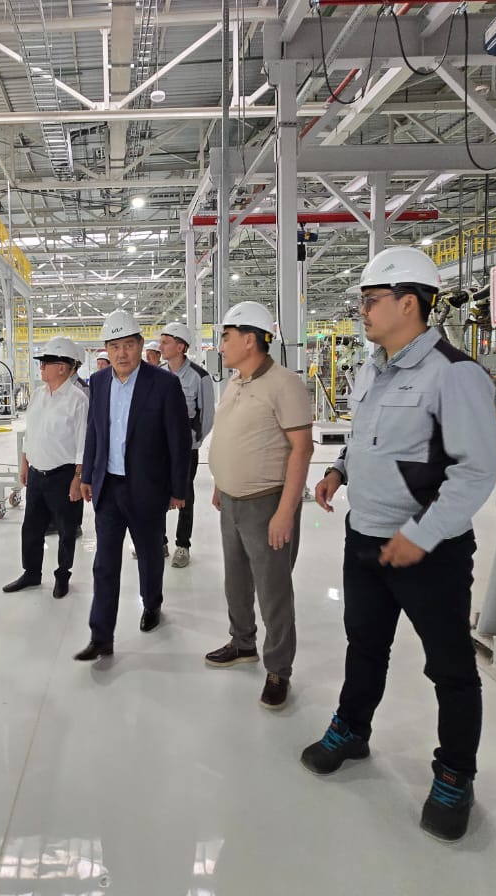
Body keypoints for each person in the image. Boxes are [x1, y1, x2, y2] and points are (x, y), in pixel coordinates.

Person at [302, 246, 496, 843]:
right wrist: (339, 470)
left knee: (450, 667)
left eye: (371, 300)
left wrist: (423, 534)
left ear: (408, 303)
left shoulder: (453, 373)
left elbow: (477, 470)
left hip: (427, 551)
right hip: (364, 537)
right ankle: (352, 729)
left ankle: (455, 775)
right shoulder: (372, 368)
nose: (362, 311)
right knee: (364, 644)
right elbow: (365, 436)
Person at [205, 302, 313, 710]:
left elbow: (302, 449)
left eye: (226, 337)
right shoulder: (236, 381)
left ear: (250, 340)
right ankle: (243, 642)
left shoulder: (285, 384)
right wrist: (221, 482)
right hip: (232, 502)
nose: (220, 346)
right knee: (235, 581)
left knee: (273, 591)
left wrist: (285, 512)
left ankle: (279, 668)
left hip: (267, 503)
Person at [74, 310, 190, 661]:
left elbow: (179, 440)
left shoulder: (164, 384)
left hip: (148, 488)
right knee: (104, 564)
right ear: (106, 349)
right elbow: (94, 431)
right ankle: (101, 636)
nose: (121, 353)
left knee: (150, 555)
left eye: (128, 345)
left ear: (140, 345)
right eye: (114, 346)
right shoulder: (99, 382)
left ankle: (152, 603)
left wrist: (178, 490)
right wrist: (87, 475)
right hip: (108, 488)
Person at [6, 337, 88, 598]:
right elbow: (30, 431)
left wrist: (78, 477)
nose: (40, 367)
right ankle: (31, 573)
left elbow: (83, 443)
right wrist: (24, 462)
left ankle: (62, 575)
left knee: (66, 530)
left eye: (46, 363)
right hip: (37, 474)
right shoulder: (38, 395)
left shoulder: (78, 400)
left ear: (62, 367)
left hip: (63, 476)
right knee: (31, 528)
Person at [158, 321, 215, 568]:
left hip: (186, 449)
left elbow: (207, 416)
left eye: (165, 342)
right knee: (158, 493)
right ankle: (159, 541)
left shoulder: (199, 377)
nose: (160, 346)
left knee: (185, 495)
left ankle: (183, 545)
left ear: (180, 347)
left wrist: (194, 441)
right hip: (160, 448)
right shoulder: (157, 374)